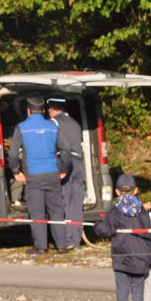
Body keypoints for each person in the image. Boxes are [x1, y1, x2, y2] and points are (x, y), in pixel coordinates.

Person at [8, 95, 68, 254]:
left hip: (33, 176)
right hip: (52, 173)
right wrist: (63, 169)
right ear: (43, 111)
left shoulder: (21, 128)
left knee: (37, 212)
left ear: (28, 111)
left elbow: (13, 154)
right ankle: (61, 246)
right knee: (56, 210)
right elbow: (66, 150)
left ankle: (41, 246)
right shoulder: (53, 127)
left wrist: (16, 171)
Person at [95, 174, 151, 301]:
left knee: (122, 288)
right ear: (136, 190)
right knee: (138, 287)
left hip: (121, 256)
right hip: (141, 256)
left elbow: (105, 231)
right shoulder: (143, 210)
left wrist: (97, 225)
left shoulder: (115, 210)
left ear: (116, 191)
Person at [47, 96, 85, 251]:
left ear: (52, 109)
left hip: (65, 163)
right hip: (79, 164)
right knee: (77, 203)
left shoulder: (53, 123)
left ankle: (68, 239)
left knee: (65, 202)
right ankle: (76, 240)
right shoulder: (75, 123)